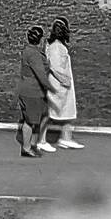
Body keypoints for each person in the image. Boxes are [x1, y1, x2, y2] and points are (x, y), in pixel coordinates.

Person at [44, 18, 82, 149]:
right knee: (53, 112)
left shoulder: (57, 46)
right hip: (59, 85)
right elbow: (55, 67)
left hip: (62, 84)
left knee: (67, 112)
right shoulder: (56, 47)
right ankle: (42, 140)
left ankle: (66, 137)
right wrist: (65, 80)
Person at [16, 25, 53, 157]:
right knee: (30, 121)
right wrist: (51, 88)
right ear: (40, 39)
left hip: (29, 90)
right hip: (32, 92)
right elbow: (41, 74)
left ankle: (32, 144)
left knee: (38, 117)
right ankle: (26, 148)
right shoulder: (34, 54)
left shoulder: (29, 50)